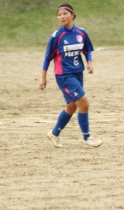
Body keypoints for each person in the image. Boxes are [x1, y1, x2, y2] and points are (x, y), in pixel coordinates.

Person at [39, 3, 102, 148]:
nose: (62, 16)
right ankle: (87, 137)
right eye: (59, 14)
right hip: (64, 75)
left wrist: (90, 62)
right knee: (84, 102)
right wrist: (43, 78)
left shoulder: (81, 33)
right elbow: (47, 58)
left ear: (72, 15)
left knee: (72, 107)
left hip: (77, 73)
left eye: (65, 13)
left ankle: (54, 133)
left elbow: (87, 49)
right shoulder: (56, 36)